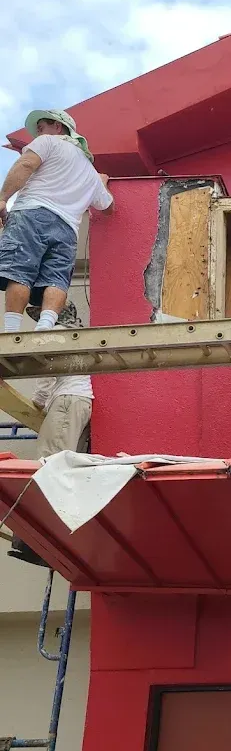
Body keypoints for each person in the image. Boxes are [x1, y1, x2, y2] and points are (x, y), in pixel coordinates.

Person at [0, 109, 113, 335]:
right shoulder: (90, 172)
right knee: (56, 278)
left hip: (33, 213)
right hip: (67, 229)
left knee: (20, 270)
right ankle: (46, 326)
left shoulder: (48, 142)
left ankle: (12, 332)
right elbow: (108, 207)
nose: (37, 133)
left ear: (58, 127)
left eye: (40, 127)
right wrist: (102, 183)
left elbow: (26, 165)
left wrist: (3, 198)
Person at [8, 300, 93, 567]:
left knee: (48, 469)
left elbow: (46, 376)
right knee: (63, 472)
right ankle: (55, 540)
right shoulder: (77, 334)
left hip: (66, 401)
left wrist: (38, 401)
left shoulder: (56, 333)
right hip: (77, 402)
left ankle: (39, 542)